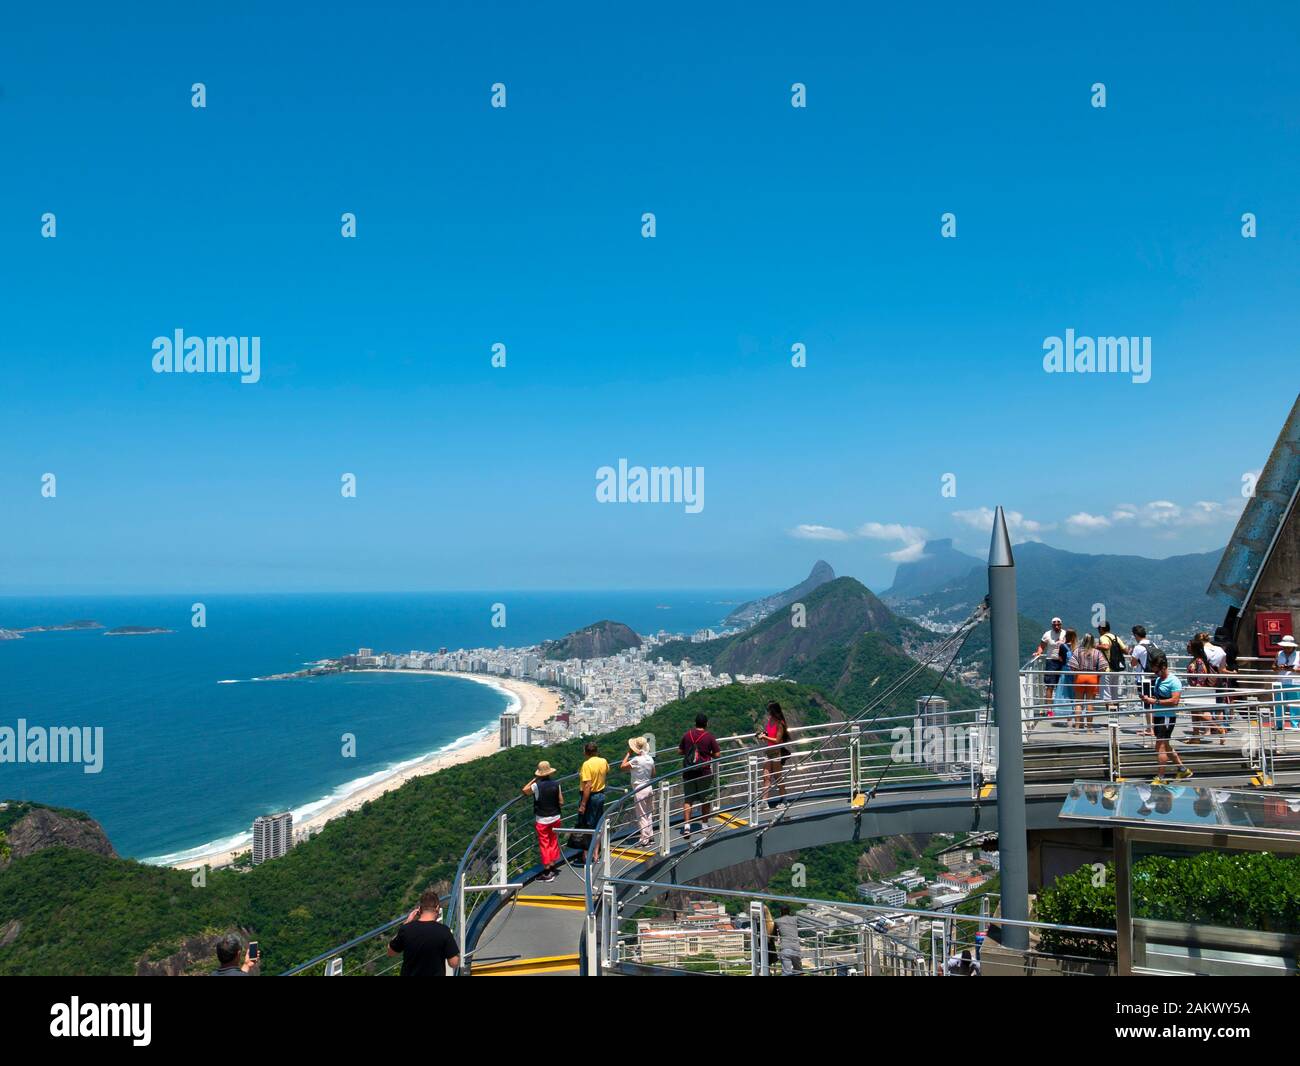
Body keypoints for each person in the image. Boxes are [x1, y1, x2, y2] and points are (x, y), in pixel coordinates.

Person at [1140, 650, 1192, 782]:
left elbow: (1175, 701)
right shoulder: (1158, 680)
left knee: (1161, 747)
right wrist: (1148, 699)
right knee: (1164, 745)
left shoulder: (1174, 681)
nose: (1155, 674)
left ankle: (1161, 776)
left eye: (1157, 671)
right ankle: (1182, 769)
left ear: (1163, 667)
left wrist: (1155, 701)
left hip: (1167, 716)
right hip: (1159, 715)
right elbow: (1158, 697)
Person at [387, 888, 460, 976]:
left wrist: (407, 922)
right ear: (437, 907)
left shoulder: (406, 930)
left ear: (419, 909)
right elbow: (454, 963)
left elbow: (390, 952)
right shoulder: (444, 931)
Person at [679, 713, 721, 838]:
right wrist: (708, 754)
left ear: (695, 723)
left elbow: (680, 751)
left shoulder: (687, 735)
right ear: (706, 724)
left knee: (688, 799)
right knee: (706, 798)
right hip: (704, 772)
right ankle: (704, 825)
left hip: (688, 771)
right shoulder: (709, 737)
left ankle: (687, 827)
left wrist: (689, 752)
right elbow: (717, 754)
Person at [521, 760, 564, 881]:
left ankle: (547, 872)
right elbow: (561, 802)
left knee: (544, 844)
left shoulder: (536, 786)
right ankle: (553, 865)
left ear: (539, 774)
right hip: (556, 817)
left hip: (542, 819)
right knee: (553, 841)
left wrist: (534, 779)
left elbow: (525, 790)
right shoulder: (556, 784)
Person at [1184, 639, 1227, 745]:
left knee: (1198, 712)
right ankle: (1196, 736)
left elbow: (1202, 674)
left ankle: (1217, 728)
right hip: (1195, 688)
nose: (1187, 648)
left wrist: (1198, 687)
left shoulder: (1199, 660)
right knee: (1194, 713)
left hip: (1198, 689)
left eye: (1189, 646)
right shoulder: (1197, 659)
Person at [1068, 633, 1107, 731]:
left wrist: (1077, 674)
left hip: (1080, 677)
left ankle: (1077, 726)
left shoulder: (1077, 651)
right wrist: (1098, 675)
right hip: (1092, 678)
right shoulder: (1097, 652)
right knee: (1090, 703)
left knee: (1078, 703)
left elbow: (1072, 666)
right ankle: (1089, 728)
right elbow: (1103, 666)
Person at [621, 736, 656, 846]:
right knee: (649, 813)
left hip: (639, 789)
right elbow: (654, 774)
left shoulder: (636, 760)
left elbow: (622, 766)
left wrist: (628, 754)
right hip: (649, 787)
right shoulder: (650, 759)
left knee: (641, 815)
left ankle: (644, 839)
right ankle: (650, 836)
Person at [575, 742, 609, 853]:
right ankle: (596, 852)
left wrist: (583, 804)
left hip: (589, 797)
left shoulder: (586, 764)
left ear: (586, 752)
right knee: (597, 823)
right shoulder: (603, 761)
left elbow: (588, 785)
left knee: (586, 825)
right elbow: (607, 770)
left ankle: (587, 854)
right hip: (600, 794)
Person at [757, 701, 791, 806]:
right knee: (766, 776)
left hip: (776, 752)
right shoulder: (770, 720)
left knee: (777, 777)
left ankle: (784, 800)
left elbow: (777, 740)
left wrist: (764, 737)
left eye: (769, 710)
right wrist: (764, 734)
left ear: (774, 711)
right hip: (769, 751)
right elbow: (769, 733)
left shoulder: (780, 723)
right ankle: (764, 801)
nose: (768, 713)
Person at [1033, 617, 1067, 714]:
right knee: (1050, 686)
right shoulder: (1047, 634)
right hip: (1051, 661)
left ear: (1061, 624)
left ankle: (1064, 709)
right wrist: (1038, 652)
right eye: (1054, 624)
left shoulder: (1065, 634)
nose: (1056, 626)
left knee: (1064, 685)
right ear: (1052, 625)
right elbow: (1042, 646)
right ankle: (1049, 710)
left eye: (1058, 624)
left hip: (1063, 662)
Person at [1097, 622, 1127, 713]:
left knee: (1107, 698)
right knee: (1115, 697)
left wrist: (1095, 646)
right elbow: (1126, 650)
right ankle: (1115, 722)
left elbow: (1106, 646)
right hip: (1116, 670)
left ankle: (1111, 722)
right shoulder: (1116, 637)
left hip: (1107, 670)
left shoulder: (1103, 637)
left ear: (1101, 629)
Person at [1130, 626, 1154, 735]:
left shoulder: (1138, 647)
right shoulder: (1153, 644)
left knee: (1147, 703)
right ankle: (1154, 727)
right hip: (1154, 677)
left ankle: (1150, 729)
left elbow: (1133, 663)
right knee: (1153, 702)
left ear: (1136, 635)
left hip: (1143, 678)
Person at [1275, 635, 1300, 730]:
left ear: (1293, 646)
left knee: (1295, 706)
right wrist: (1279, 667)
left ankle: (1295, 724)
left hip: (1295, 682)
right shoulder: (1278, 653)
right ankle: (1279, 725)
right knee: (1279, 705)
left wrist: (1294, 669)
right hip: (1280, 682)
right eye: (1284, 647)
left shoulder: (1299, 654)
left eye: (1288, 647)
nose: (1286, 649)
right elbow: (1273, 667)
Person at [1057, 628, 1078, 724]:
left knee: (1065, 693)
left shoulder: (1062, 646)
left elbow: (1060, 659)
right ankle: (1077, 714)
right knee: (1075, 693)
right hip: (1075, 672)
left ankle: (1068, 716)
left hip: (1065, 671)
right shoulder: (1077, 647)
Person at [775, 905, 802, 975]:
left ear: (780, 912)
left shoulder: (777, 921)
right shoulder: (795, 918)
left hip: (785, 948)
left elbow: (774, 934)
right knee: (799, 971)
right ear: (789, 911)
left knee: (786, 973)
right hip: (796, 948)